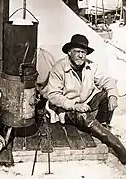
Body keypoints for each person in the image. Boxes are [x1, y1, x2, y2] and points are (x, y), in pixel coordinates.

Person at [42, 34, 126, 164]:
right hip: (66, 109)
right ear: (69, 52)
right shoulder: (59, 68)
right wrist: (74, 105)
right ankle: (119, 147)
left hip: (85, 104)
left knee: (106, 95)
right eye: (77, 52)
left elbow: (107, 80)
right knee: (82, 115)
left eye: (83, 52)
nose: (81, 55)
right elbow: (53, 95)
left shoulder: (91, 66)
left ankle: (101, 126)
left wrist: (113, 96)